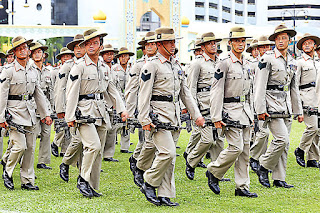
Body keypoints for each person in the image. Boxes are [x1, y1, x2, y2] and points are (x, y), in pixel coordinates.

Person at [138, 27, 205, 206]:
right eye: (169, 42)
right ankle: (149, 182)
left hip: (173, 115)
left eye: (174, 42)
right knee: (167, 153)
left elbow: (185, 94)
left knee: (171, 156)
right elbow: (143, 95)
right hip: (157, 116)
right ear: (159, 45)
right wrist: (144, 119)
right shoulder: (151, 65)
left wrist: (196, 114)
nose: (173, 45)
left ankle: (165, 194)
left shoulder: (176, 65)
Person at [65, 29, 128, 198]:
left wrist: (122, 109)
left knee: (98, 152)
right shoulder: (79, 66)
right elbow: (71, 92)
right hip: (83, 111)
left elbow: (112, 90)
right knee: (93, 146)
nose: (91, 46)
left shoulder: (104, 67)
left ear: (100, 45)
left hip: (101, 110)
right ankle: (82, 179)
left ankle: (92, 186)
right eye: (88, 44)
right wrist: (70, 116)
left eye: (94, 43)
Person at [206, 26, 257, 198]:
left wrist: (253, 114)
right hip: (230, 112)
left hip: (245, 112)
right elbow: (216, 91)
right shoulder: (224, 62)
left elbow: (249, 92)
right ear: (230, 43)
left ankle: (242, 186)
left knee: (245, 151)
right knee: (236, 148)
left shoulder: (248, 63)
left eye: (243, 41)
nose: (240, 44)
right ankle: (213, 171)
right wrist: (216, 116)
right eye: (237, 41)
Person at [0, 36, 52, 190]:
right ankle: (8, 172)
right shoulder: (8, 71)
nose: (23, 50)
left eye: (25, 48)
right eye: (19, 48)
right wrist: (1, 117)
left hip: (29, 112)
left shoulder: (32, 70)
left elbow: (38, 93)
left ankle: (27, 181)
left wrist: (46, 114)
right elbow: (2, 96)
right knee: (20, 146)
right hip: (13, 112)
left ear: (29, 51)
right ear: (15, 52)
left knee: (30, 147)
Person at [255, 24, 303, 188]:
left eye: (284, 38)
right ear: (274, 40)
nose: (281, 41)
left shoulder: (292, 61)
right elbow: (259, 86)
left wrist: (298, 111)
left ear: (289, 41)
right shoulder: (267, 58)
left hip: (286, 105)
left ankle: (279, 178)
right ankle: (263, 166)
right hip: (271, 104)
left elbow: (293, 87)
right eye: (278, 38)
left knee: (286, 143)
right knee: (281, 139)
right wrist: (260, 109)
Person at [184, 32, 224, 180]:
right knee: (208, 140)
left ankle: (216, 172)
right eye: (209, 43)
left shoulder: (220, 62)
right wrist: (193, 111)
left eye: (214, 43)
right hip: (203, 105)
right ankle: (191, 160)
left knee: (219, 140)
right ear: (202, 46)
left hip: (218, 105)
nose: (213, 45)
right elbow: (190, 88)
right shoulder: (197, 63)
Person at [55, 34, 86, 182]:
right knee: (78, 139)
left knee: (88, 142)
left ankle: (83, 174)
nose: (79, 49)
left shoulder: (89, 64)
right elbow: (59, 89)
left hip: (90, 107)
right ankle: (65, 162)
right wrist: (61, 109)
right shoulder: (67, 66)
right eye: (76, 47)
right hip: (72, 107)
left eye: (81, 45)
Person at [126, 31, 157, 173]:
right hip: (143, 106)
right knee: (146, 138)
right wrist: (130, 112)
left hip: (159, 107)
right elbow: (131, 90)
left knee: (152, 139)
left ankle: (138, 159)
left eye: (153, 44)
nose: (150, 47)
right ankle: (139, 162)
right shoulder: (138, 66)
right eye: (147, 45)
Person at [294, 33, 320, 168]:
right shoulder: (299, 62)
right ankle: (300, 150)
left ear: (314, 46)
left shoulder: (317, 62)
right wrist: (298, 105)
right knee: (312, 127)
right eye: (304, 44)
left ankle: (312, 159)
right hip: (306, 98)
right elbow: (295, 84)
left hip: (317, 98)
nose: (307, 46)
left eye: (310, 43)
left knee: (317, 130)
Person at [249, 35, 274, 173]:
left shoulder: (272, 62)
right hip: (254, 102)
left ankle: (260, 160)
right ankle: (253, 157)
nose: (263, 49)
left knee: (265, 134)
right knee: (261, 132)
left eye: (266, 46)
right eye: (261, 47)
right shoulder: (251, 64)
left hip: (269, 102)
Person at [30, 41, 53, 170]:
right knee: (31, 136)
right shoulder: (29, 69)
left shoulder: (48, 71)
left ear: (43, 55)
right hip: (32, 107)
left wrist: (52, 109)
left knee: (46, 134)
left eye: (39, 52)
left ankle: (42, 161)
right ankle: (27, 161)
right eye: (34, 52)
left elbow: (51, 92)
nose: (37, 54)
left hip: (46, 107)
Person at [50, 47, 74, 158]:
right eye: (64, 56)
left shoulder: (74, 68)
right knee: (61, 126)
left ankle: (64, 151)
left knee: (69, 129)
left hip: (70, 100)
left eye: (68, 56)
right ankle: (55, 143)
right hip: (59, 100)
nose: (66, 58)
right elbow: (55, 88)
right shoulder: (55, 71)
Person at [111, 47, 134, 153]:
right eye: (121, 56)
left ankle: (125, 147)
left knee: (127, 123)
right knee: (116, 124)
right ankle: (111, 145)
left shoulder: (132, 69)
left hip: (129, 99)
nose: (123, 58)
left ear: (129, 57)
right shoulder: (114, 69)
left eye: (125, 56)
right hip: (118, 98)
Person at [100, 44, 120, 162]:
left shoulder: (115, 69)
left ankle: (108, 154)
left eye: (111, 54)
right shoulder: (101, 68)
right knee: (104, 130)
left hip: (113, 104)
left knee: (112, 130)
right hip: (103, 103)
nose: (109, 56)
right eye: (107, 54)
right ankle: (99, 153)